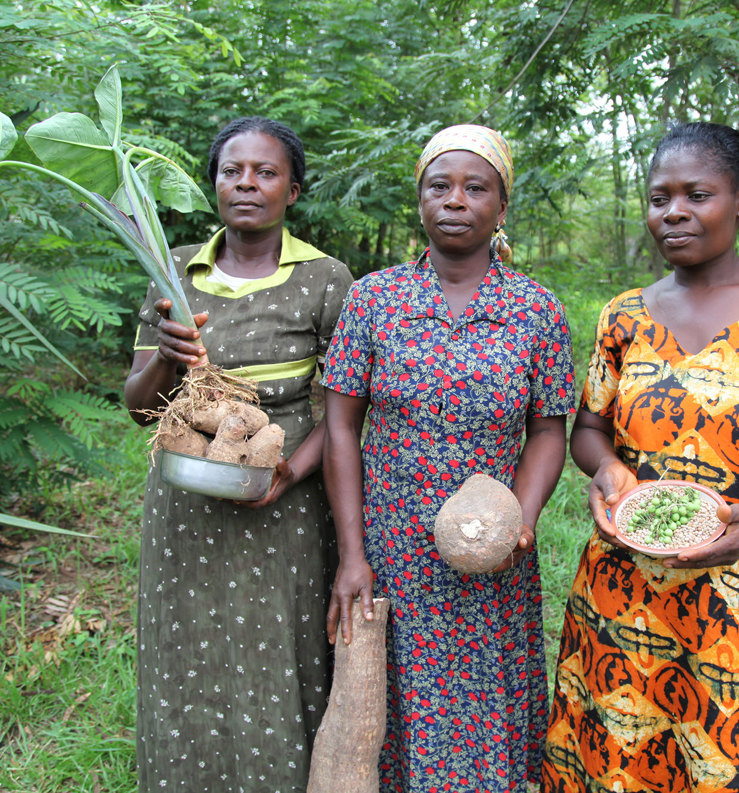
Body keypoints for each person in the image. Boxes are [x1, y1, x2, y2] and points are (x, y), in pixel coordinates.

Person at [542, 122, 739, 793]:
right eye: (660, 198)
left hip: (736, 587)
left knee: (723, 761)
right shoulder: (623, 315)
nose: (673, 213)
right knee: (612, 763)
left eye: (696, 195)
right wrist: (606, 469)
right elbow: (588, 430)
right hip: (620, 588)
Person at [321, 124, 576, 792]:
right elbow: (341, 425)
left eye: (475, 188)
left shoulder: (533, 310)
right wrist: (352, 553)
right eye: (440, 186)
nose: (456, 200)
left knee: (484, 693)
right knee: (398, 693)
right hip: (393, 546)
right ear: (421, 200)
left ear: (501, 204)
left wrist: (522, 516)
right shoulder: (374, 300)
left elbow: (549, 428)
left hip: (492, 551)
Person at [123, 116, 353, 793]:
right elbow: (139, 407)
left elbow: (346, 416)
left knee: (283, 651)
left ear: (294, 190)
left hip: (285, 501)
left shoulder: (325, 279)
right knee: (186, 650)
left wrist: (289, 471)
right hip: (184, 503)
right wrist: (166, 355)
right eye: (232, 171)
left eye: (266, 172)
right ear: (214, 183)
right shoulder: (173, 274)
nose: (246, 184)